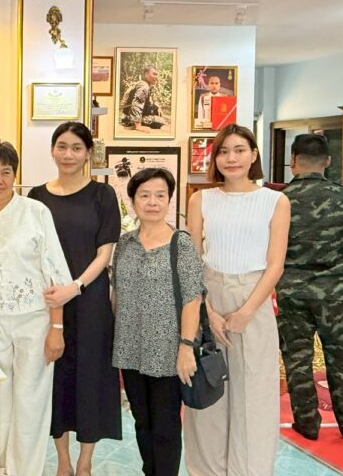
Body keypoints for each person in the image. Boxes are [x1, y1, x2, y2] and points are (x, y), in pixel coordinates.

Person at [0, 140, 79, 476]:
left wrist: (56, 329)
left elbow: (55, 276)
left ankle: (25, 471)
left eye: (5, 172)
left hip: (35, 322)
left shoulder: (36, 212)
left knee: (31, 403)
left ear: (15, 175)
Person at [183, 124, 290, 476]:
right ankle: (205, 470)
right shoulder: (201, 199)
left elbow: (275, 264)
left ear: (253, 155)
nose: (232, 158)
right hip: (208, 295)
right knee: (208, 390)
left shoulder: (275, 201)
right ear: (215, 158)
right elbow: (191, 261)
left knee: (253, 395)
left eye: (240, 150)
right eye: (224, 151)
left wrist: (247, 311)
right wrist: (207, 309)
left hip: (253, 298)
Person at [27, 122, 121, 476]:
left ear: (87, 154)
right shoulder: (36, 197)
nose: (68, 154)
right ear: (52, 150)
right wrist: (59, 293)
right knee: (55, 377)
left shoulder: (103, 195)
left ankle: (84, 463)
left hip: (90, 299)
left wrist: (76, 286)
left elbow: (104, 253)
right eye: (62, 146)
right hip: (48, 300)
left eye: (76, 148)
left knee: (90, 377)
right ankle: (63, 462)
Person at [277, 134, 343, 442]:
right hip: (335, 293)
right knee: (342, 358)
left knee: (297, 358)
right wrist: (341, 277)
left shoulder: (278, 200)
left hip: (291, 291)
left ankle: (306, 423)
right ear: (328, 162)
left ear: (293, 161)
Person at [112, 168, 204, 476]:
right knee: (142, 421)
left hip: (168, 351)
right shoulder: (124, 244)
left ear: (169, 200)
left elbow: (192, 299)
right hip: (130, 349)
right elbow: (116, 294)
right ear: (133, 201)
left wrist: (186, 347)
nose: (152, 202)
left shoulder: (181, 243)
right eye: (145, 195)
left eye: (160, 196)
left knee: (165, 425)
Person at [120, 65, 163, 131]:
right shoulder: (144, 86)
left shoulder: (145, 85)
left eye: (156, 75)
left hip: (128, 116)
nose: (156, 77)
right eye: (154, 74)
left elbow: (150, 101)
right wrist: (138, 126)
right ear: (146, 74)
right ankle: (134, 124)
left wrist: (157, 107)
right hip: (129, 118)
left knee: (156, 114)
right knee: (160, 121)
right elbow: (136, 105)